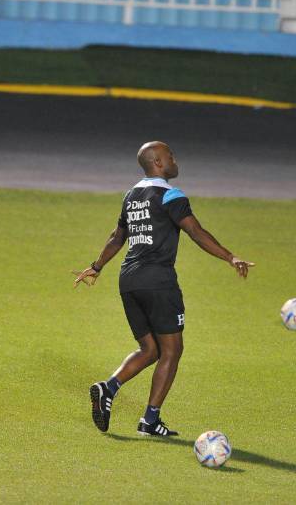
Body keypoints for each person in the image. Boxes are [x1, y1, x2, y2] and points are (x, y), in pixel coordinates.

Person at [73, 141, 254, 437]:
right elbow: (195, 231)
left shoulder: (131, 196)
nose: (175, 160)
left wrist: (97, 265)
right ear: (158, 162)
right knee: (173, 349)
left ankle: (108, 388)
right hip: (158, 281)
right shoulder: (171, 195)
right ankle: (150, 420)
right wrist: (229, 256)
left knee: (150, 349)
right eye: (170, 156)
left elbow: (117, 237)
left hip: (128, 280)